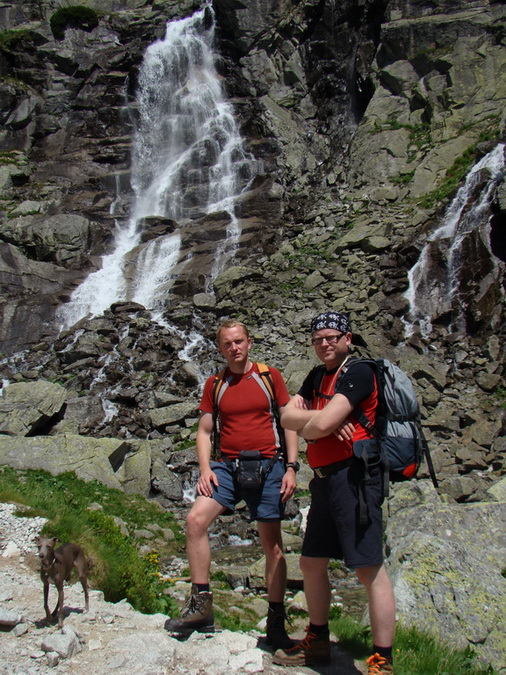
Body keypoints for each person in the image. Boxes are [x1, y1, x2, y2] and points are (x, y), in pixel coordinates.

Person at [273, 311, 396, 675]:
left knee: (368, 568)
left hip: (355, 478)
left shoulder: (359, 372)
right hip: (325, 479)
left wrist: (318, 421)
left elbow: (319, 423)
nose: (324, 344)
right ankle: (319, 640)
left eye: (331, 337)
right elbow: (284, 418)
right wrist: (322, 423)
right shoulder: (317, 376)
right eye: (318, 339)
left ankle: (382, 660)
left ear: (347, 338)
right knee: (311, 562)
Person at [165, 319, 299, 649]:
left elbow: (289, 422)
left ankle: (276, 621)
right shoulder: (215, 384)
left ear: (249, 342)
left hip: (269, 466)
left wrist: (292, 467)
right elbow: (205, 430)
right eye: (227, 343)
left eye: (239, 341)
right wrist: (205, 468)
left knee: (272, 545)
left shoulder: (270, 377)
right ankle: (201, 605)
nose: (234, 347)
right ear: (221, 348)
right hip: (226, 467)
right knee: (195, 520)